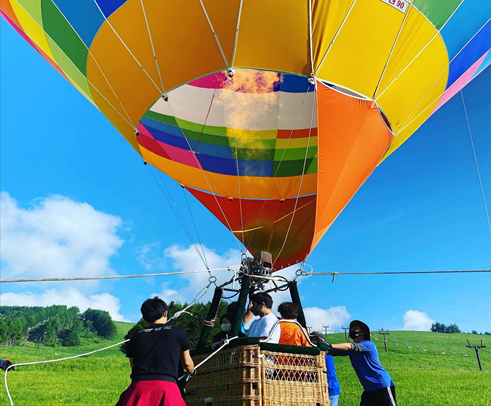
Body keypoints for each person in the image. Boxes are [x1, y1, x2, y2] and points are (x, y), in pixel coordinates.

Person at [116, 297, 194, 406]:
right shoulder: (177, 332)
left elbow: (133, 366)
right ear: (165, 313)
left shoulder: (136, 337)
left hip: (138, 388)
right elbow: (187, 363)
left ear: (144, 317)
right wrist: (192, 371)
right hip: (166, 387)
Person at [327, 320, 397, 406]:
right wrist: (319, 349)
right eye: (351, 329)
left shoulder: (368, 344)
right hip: (368, 390)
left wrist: (329, 345)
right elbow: (333, 351)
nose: (352, 330)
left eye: (355, 328)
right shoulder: (350, 351)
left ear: (363, 332)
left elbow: (350, 346)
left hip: (382, 385)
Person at [310, 331, 341, 406]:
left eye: (312, 339)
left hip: (330, 387)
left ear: (317, 340)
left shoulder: (322, 354)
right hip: (326, 387)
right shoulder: (325, 353)